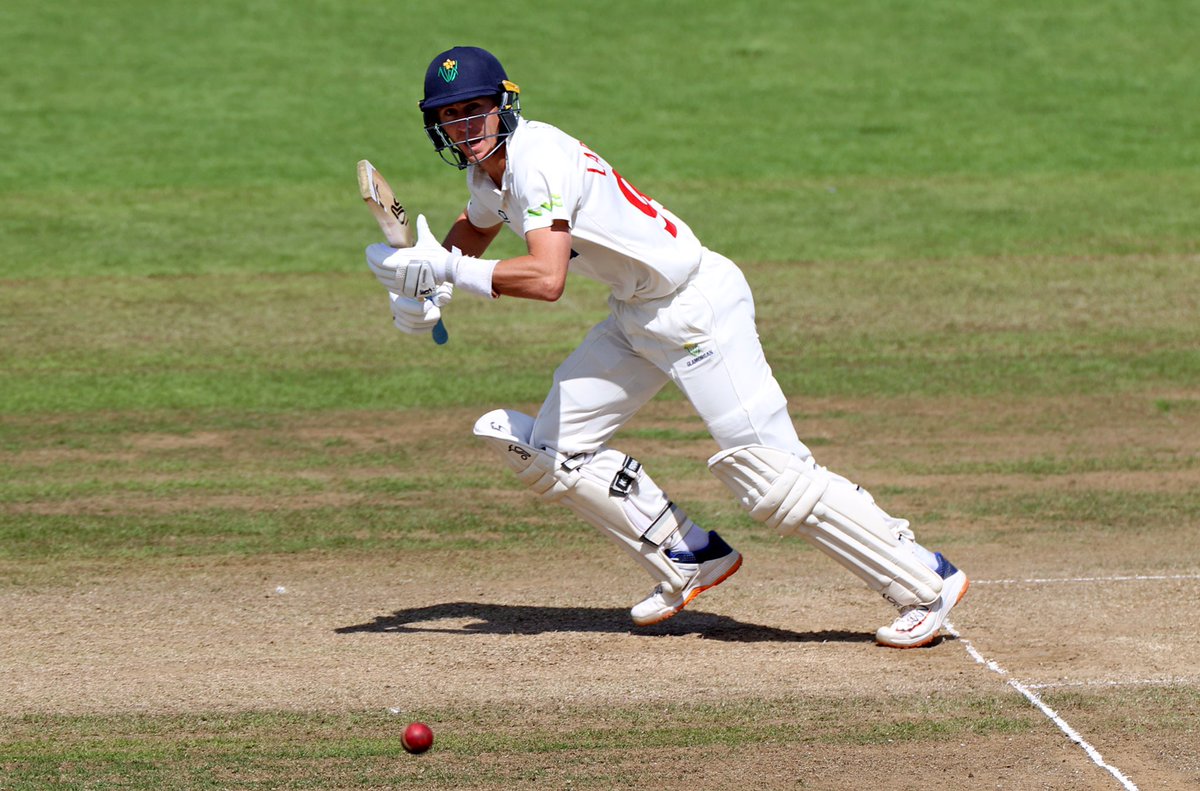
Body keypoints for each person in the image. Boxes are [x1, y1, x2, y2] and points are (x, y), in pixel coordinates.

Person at [365, 46, 968, 648]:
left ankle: (925, 581)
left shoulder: (538, 160)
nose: (466, 127)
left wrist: (445, 269)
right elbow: (473, 231)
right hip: (636, 317)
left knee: (772, 478)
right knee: (553, 453)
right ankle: (689, 556)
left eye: (476, 110)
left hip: (696, 309)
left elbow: (547, 280)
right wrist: (431, 286)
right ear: (435, 124)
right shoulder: (488, 173)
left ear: (503, 106)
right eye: (451, 116)